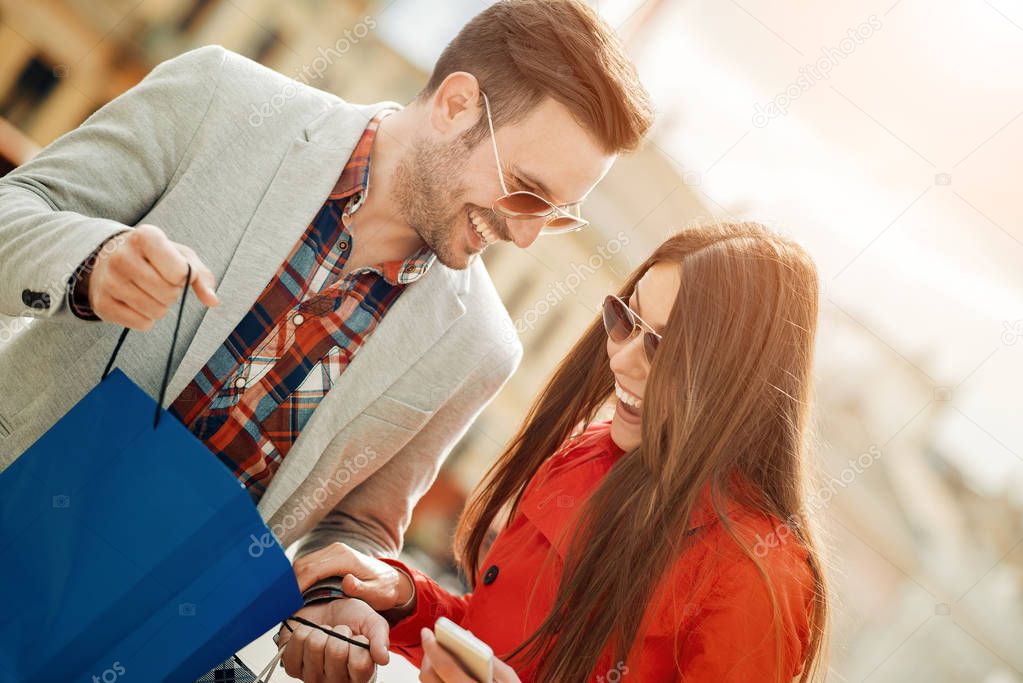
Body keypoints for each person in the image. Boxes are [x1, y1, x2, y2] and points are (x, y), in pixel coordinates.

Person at [0, 1, 651, 679]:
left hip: (142, 638)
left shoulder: (479, 349)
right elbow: (14, 210)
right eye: (523, 192)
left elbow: (359, 525)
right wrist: (92, 261)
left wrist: (337, 595)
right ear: (456, 104)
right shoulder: (219, 97)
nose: (522, 234)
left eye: (554, 217)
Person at [290, 222, 830, 682]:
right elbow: (495, 641)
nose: (620, 361)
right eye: (627, 320)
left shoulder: (759, 579)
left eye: (666, 349)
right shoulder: (590, 455)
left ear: (744, 384)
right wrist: (404, 595)